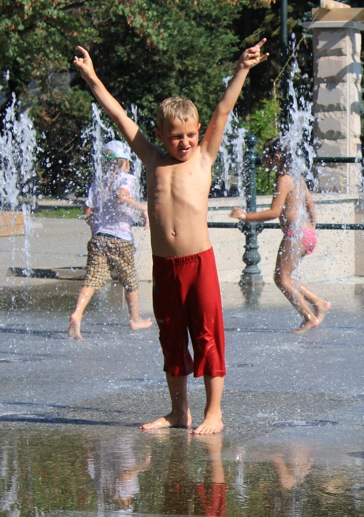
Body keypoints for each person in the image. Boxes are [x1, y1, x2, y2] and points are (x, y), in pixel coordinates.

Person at [72, 39, 269, 435]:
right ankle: (179, 411)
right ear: (160, 134)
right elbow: (119, 115)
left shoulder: (205, 156)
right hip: (165, 266)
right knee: (171, 337)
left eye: (191, 135)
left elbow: (223, 109)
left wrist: (243, 69)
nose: (185, 143)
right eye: (177, 136)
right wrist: (92, 79)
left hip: (199, 263)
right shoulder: (150, 158)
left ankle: (214, 411)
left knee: (208, 334)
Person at [230, 138, 330, 334]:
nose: (263, 161)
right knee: (287, 277)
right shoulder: (297, 178)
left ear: (276, 158)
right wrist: (310, 230)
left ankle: (308, 317)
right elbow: (310, 205)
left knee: (281, 279)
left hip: (296, 234)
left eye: (266, 157)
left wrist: (246, 216)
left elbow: (274, 212)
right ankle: (319, 303)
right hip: (307, 233)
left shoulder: (284, 180)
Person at [68, 140, 152, 340]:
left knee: (93, 279)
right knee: (130, 280)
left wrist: (96, 228)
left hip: (99, 238)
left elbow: (88, 211)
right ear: (125, 163)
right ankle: (135, 319)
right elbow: (122, 196)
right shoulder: (126, 179)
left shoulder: (98, 182)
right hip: (120, 239)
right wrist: (143, 209)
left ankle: (77, 314)